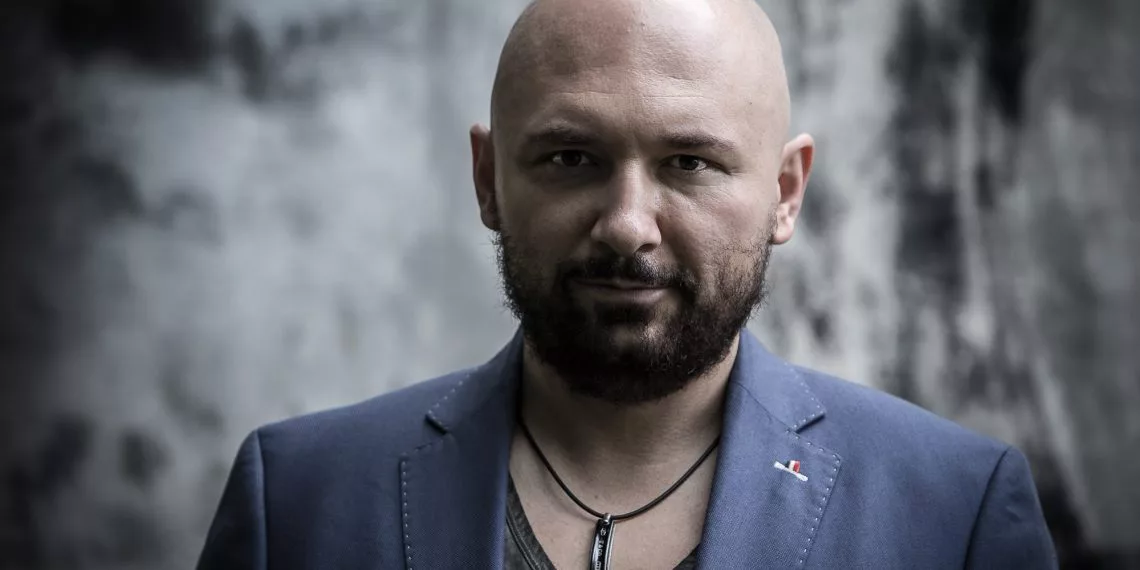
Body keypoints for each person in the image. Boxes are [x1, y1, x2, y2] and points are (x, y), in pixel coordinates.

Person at [197, 0, 1057, 568]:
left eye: (689, 163)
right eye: (573, 158)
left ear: (785, 193)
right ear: (488, 181)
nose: (627, 224)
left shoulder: (956, 514)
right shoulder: (299, 500)